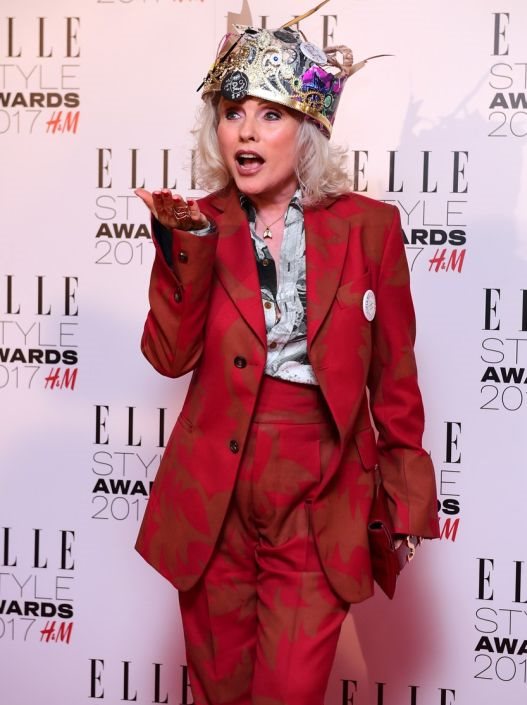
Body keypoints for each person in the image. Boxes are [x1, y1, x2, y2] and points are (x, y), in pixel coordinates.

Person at [135, 7, 440, 705]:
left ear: (306, 129)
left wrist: (405, 497)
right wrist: (184, 246)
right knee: (221, 692)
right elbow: (170, 358)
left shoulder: (369, 228)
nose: (245, 131)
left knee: (289, 690)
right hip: (214, 496)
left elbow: (394, 374)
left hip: (319, 493)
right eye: (232, 112)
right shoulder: (197, 224)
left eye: (269, 115)